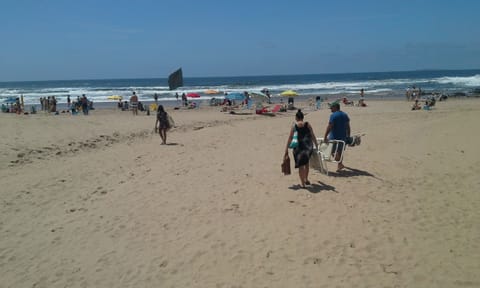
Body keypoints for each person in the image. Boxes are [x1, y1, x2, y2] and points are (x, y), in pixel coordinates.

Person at [285, 109, 318, 188]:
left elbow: (290, 138)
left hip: (298, 148)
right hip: (307, 147)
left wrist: (286, 149)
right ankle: (306, 179)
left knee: (300, 166)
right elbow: (313, 135)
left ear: (296, 117)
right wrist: (316, 145)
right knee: (306, 164)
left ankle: (303, 184)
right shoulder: (307, 124)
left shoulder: (294, 126)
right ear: (303, 117)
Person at [323, 101, 350, 172]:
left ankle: (340, 164)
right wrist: (348, 135)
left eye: (331, 108)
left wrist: (325, 136)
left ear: (335, 107)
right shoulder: (345, 114)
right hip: (343, 137)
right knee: (340, 152)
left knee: (331, 151)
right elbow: (348, 126)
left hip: (334, 137)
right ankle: (340, 165)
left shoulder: (333, 115)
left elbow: (329, 126)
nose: (330, 109)